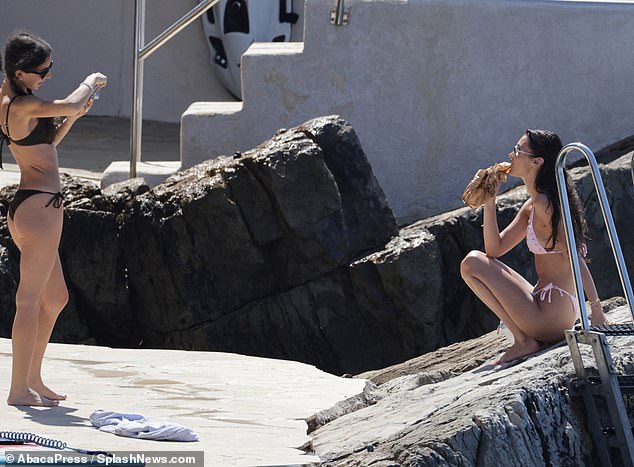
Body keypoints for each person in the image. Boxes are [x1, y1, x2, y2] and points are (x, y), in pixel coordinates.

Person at [0, 31, 107, 406]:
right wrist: (90, 81)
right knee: (28, 301)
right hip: (39, 211)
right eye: (41, 71)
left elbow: (46, 145)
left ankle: (33, 379)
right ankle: (17, 390)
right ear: (18, 72)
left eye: (50, 69)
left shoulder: (19, 100)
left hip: (34, 207)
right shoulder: (19, 105)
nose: (47, 76)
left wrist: (73, 118)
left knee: (55, 297)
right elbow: (69, 100)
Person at [460, 129, 609, 364]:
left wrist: (597, 312)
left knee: (471, 262)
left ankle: (523, 342)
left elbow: (574, 256)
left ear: (537, 162)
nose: (511, 155)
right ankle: (523, 340)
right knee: (475, 262)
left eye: (518, 151)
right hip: (547, 304)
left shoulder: (544, 203)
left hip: (551, 316)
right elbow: (494, 250)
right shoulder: (534, 204)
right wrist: (490, 202)